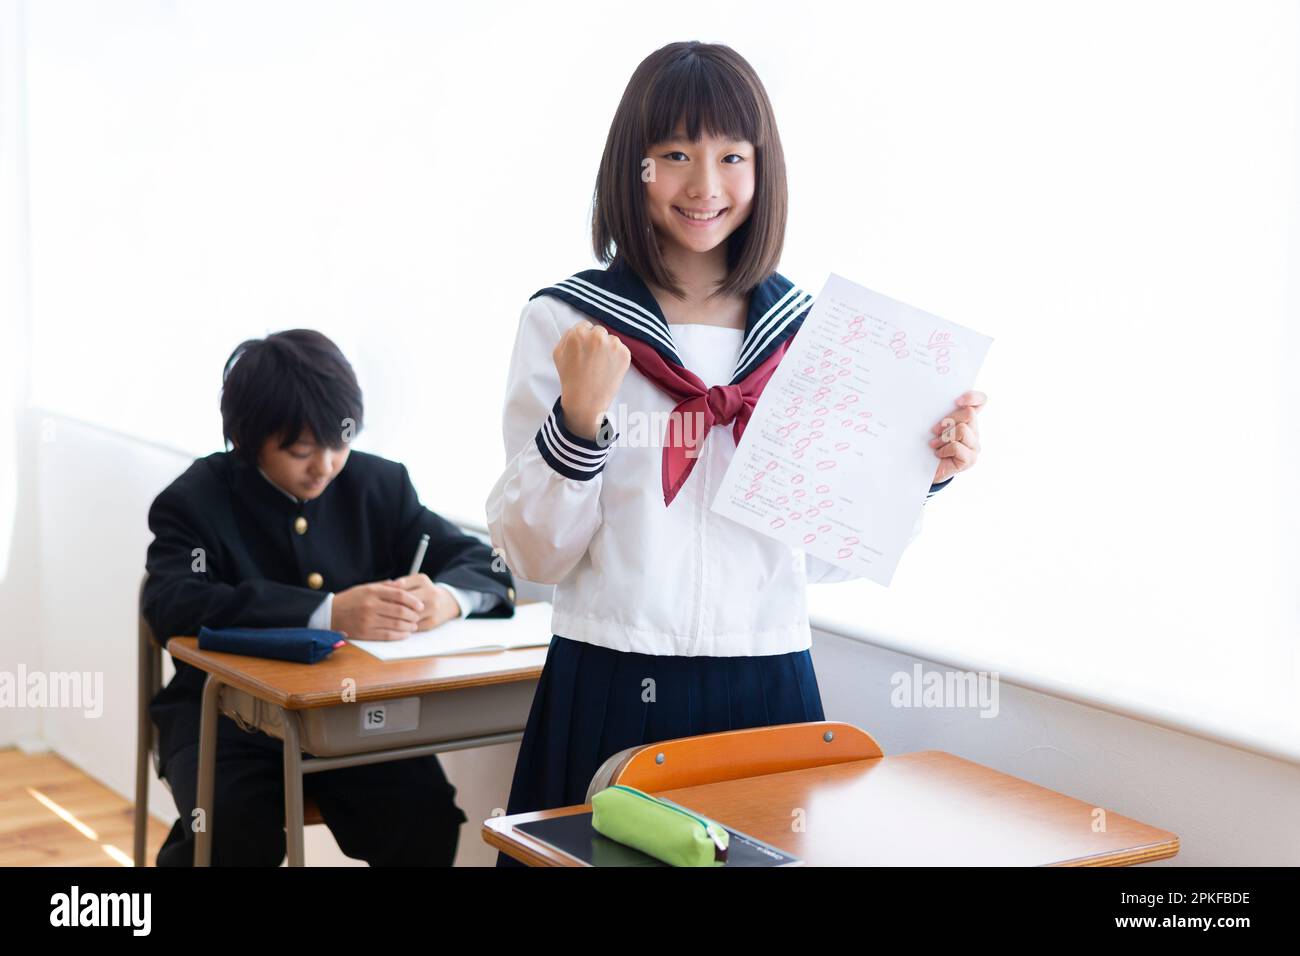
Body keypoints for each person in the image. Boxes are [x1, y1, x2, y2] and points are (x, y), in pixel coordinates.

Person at [485, 41, 986, 862]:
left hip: (768, 679)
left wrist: (919, 476)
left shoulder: (809, 338)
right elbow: (537, 556)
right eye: (674, 154)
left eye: (731, 155)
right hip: (611, 672)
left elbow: (817, 559)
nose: (704, 185)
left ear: (763, 170)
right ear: (633, 168)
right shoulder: (568, 324)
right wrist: (577, 422)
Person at [142, 328, 514, 866]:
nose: (325, 466)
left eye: (339, 443)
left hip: (353, 719)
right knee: (231, 835)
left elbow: (485, 562)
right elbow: (170, 604)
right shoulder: (196, 498)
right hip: (224, 721)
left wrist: (449, 598)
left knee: (425, 817)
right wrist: (328, 612)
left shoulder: (377, 485)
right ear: (248, 440)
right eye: (300, 451)